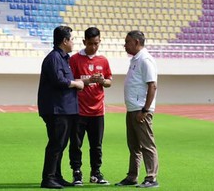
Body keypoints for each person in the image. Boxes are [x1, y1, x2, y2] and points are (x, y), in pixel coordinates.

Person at [38, 26, 84, 189]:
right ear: (64, 41)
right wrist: (75, 83)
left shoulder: (63, 58)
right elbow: (59, 80)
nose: (73, 42)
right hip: (57, 109)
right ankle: (48, 178)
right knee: (56, 144)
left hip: (65, 108)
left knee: (61, 144)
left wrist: (77, 83)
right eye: (71, 39)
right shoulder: (54, 58)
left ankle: (56, 176)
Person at [68, 27, 113, 186]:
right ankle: (77, 173)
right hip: (79, 110)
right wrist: (89, 81)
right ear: (84, 42)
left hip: (98, 110)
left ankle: (96, 173)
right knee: (76, 144)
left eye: (96, 43)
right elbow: (70, 82)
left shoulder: (103, 60)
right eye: (90, 43)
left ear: (99, 42)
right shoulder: (74, 60)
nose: (93, 47)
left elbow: (109, 82)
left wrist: (102, 81)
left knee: (96, 145)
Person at [116, 30, 160, 188]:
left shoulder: (146, 60)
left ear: (136, 42)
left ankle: (151, 177)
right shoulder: (135, 59)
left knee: (147, 144)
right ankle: (132, 176)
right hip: (132, 109)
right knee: (133, 145)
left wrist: (145, 110)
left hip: (140, 110)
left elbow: (152, 86)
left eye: (127, 42)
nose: (125, 45)